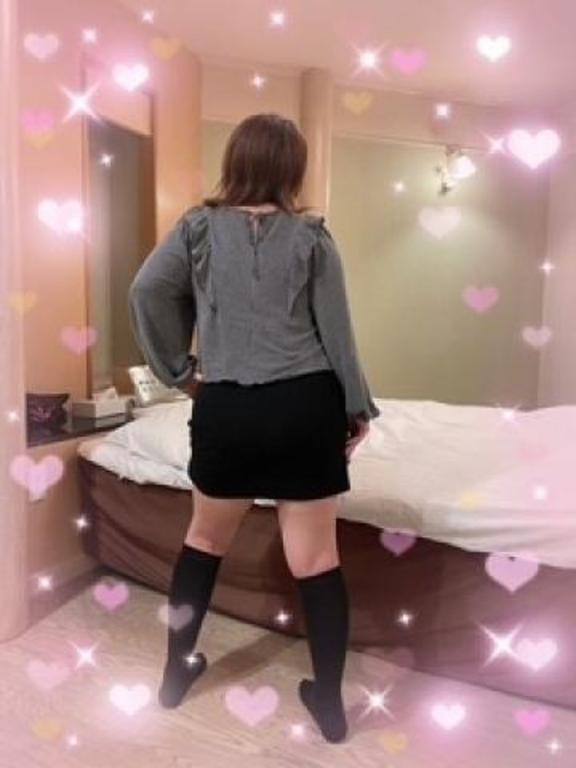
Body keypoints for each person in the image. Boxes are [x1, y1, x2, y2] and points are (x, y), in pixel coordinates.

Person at [128, 112, 380, 744]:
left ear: (234, 161)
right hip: (305, 406)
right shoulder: (313, 236)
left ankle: (175, 673)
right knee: (317, 558)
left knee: (203, 541)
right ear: (293, 168)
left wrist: (179, 372)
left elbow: (145, 291)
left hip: (228, 407)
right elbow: (338, 332)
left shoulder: (196, 227)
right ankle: (328, 703)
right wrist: (357, 407)